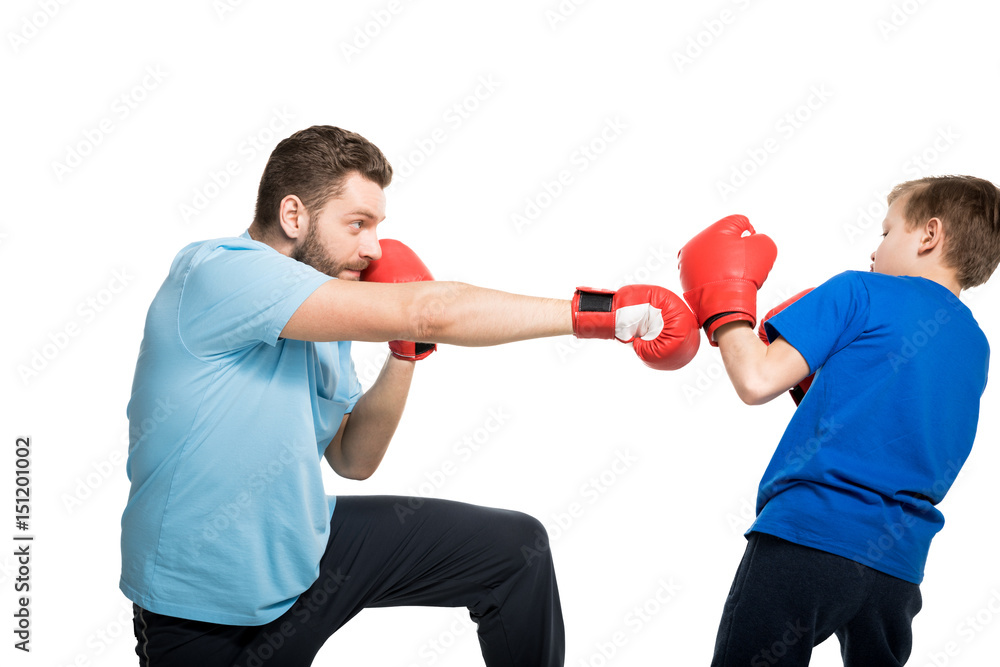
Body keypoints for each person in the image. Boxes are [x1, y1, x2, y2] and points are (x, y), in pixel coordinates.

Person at [120, 125, 700, 667]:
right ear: (293, 214)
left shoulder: (327, 315)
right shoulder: (219, 272)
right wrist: (605, 314)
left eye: (378, 226)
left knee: (513, 550)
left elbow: (354, 460)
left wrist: (404, 353)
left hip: (303, 547)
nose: (375, 248)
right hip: (201, 606)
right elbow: (434, 308)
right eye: (357, 224)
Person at [676, 175, 1000, 666]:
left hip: (807, 538)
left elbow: (757, 379)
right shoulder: (976, 346)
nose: (875, 250)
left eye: (886, 232)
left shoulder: (860, 291)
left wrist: (725, 307)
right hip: (897, 569)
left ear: (929, 235)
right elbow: (899, 422)